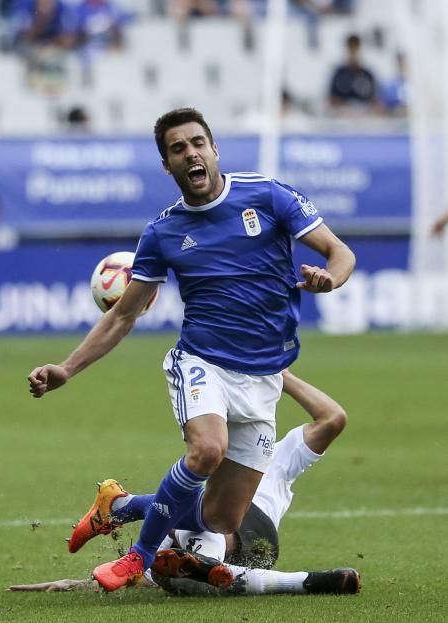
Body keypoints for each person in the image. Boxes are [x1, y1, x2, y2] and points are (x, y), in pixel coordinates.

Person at [28, 107, 355, 593]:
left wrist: (331, 280)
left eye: (198, 143)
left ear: (214, 148)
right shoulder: (162, 232)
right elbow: (122, 314)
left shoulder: (267, 195)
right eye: (178, 149)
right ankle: (137, 558)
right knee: (206, 450)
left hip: (263, 375)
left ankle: (118, 507)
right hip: (203, 361)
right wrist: (66, 369)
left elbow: (340, 252)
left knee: (219, 520)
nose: (191, 153)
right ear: (168, 165)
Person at [12, 371, 361, 596]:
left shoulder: (278, 453)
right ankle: (302, 580)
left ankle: (122, 508)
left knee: (189, 529)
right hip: (230, 550)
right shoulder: (211, 450)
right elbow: (142, 577)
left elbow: (333, 418)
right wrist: (77, 585)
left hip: (254, 531)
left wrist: (277, 374)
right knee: (177, 565)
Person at [328, 34, 378, 114]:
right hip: (342, 118)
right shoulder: (339, 74)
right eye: (351, 49)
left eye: (356, 49)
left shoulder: (367, 75)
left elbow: (375, 101)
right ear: (347, 50)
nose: (353, 53)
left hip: (365, 119)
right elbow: (331, 100)